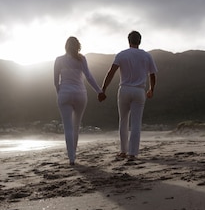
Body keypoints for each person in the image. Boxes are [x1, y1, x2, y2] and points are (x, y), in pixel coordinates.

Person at [99, 30, 157, 160]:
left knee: (123, 121)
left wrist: (103, 89)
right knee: (136, 123)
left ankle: (123, 151)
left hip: (124, 89)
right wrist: (151, 89)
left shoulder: (122, 55)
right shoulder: (147, 56)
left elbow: (111, 72)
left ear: (128, 40)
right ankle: (132, 153)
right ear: (140, 41)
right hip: (139, 90)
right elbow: (152, 74)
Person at [54, 36, 104, 165]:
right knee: (76, 126)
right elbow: (89, 77)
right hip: (80, 94)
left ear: (66, 46)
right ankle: (73, 153)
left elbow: (55, 81)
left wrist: (60, 93)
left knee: (68, 127)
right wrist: (99, 91)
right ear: (78, 47)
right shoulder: (82, 59)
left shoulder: (59, 60)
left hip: (64, 93)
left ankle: (71, 158)